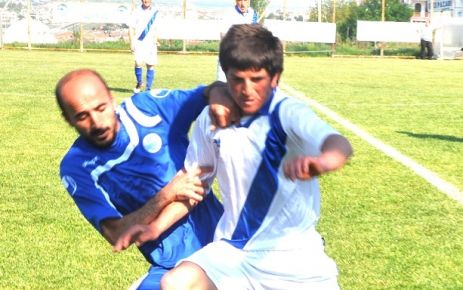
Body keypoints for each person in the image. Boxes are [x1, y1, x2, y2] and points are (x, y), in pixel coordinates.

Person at [118, 24, 353, 289]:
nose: (246, 89)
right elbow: (195, 186)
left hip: (293, 254)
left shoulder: (287, 112)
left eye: (257, 80)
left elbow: (338, 144)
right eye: (237, 79)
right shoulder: (210, 119)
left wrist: (322, 162)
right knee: (175, 283)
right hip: (235, 250)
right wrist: (156, 228)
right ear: (225, 75)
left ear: (275, 77)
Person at [56, 68, 237, 290]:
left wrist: (218, 97)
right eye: (82, 116)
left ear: (112, 100)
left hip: (224, 246)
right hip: (169, 265)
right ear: (68, 119)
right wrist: (167, 194)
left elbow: (210, 91)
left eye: (101, 108)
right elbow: (115, 233)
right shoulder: (76, 166)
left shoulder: (149, 109)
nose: (97, 123)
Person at [216, 0, 258, 81]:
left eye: (245, 0)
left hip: (245, 58)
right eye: (239, 0)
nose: (242, 4)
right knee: (221, 86)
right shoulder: (229, 14)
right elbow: (223, 35)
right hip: (228, 56)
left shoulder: (253, 14)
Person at [128, 0, 159, 93]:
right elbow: (130, 28)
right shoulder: (136, 11)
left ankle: (148, 89)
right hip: (139, 41)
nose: (146, 1)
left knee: (150, 65)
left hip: (151, 43)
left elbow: (157, 28)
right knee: (138, 62)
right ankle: (139, 82)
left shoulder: (156, 12)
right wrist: (131, 42)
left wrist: (156, 39)